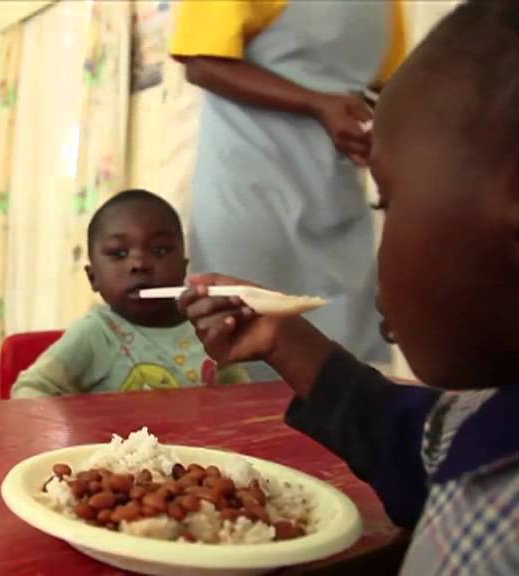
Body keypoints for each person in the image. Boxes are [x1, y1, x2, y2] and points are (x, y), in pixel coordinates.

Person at [179, 1, 519, 571]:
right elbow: (425, 446)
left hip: (325, 188)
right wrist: (295, 345)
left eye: (388, 200)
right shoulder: (486, 429)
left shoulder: (492, 531)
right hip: (255, 183)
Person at [170, 0, 408, 377]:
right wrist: (317, 104)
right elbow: (201, 61)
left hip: (336, 194)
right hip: (250, 189)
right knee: (245, 346)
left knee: (346, 367)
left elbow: (390, 84)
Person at [11, 190, 246, 398]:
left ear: (183, 268)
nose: (140, 263)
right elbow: (30, 389)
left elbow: (242, 398)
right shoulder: (96, 333)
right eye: (119, 253)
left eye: (160, 250)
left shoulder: (206, 326)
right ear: (93, 278)